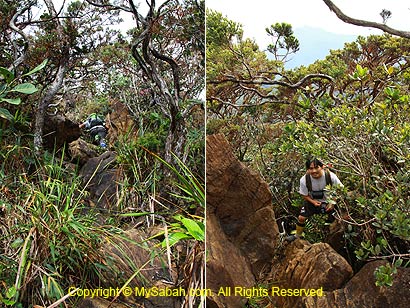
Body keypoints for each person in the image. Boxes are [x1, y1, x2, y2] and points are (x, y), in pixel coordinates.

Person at [285, 158, 343, 242]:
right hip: (313, 201)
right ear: (307, 169)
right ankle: (298, 235)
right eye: (311, 168)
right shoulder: (304, 180)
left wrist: (332, 202)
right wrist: (313, 202)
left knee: (337, 219)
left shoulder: (330, 176)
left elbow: (340, 190)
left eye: (316, 167)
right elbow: (304, 194)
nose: (314, 171)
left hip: (330, 201)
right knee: (301, 218)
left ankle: (335, 239)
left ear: (322, 167)